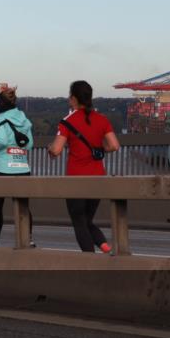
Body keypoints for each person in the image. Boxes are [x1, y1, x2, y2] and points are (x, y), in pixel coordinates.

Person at [48, 80, 120, 253]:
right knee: (87, 220)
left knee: (79, 222)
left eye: (69, 96)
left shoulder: (67, 122)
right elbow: (114, 146)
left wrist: (50, 149)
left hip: (76, 180)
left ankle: (90, 259)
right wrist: (99, 149)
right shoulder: (102, 119)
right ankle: (104, 246)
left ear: (73, 99)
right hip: (97, 178)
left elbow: (57, 150)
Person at [0, 88, 35, 247]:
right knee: (23, 206)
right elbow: (29, 145)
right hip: (22, 167)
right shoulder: (24, 119)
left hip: (2, 168)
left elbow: (1, 141)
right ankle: (28, 239)